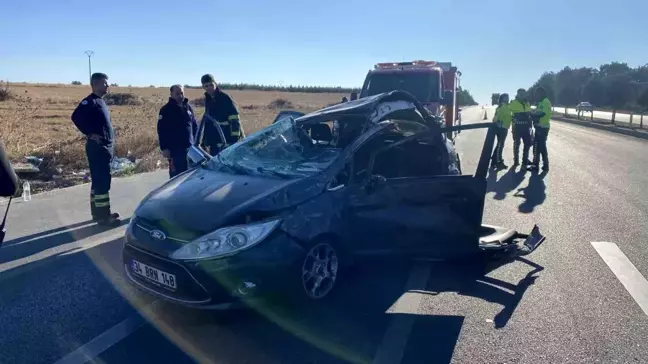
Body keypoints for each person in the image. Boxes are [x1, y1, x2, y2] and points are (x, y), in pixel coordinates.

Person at [71, 72, 120, 226]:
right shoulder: (90, 101)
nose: (108, 86)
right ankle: (104, 217)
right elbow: (76, 117)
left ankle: (97, 214)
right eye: (105, 83)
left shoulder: (100, 102)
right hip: (98, 148)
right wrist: (90, 133)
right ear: (96, 84)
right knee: (102, 182)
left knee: (98, 182)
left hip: (104, 148)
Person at [157, 85, 198, 178]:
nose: (180, 96)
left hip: (190, 148)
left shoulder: (188, 107)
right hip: (175, 150)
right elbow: (161, 130)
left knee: (191, 176)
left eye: (181, 93)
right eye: (177, 94)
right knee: (177, 178)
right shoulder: (165, 110)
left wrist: (197, 143)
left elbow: (194, 126)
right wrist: (164, 148)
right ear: (171, 94)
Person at [197, 74, 243, 155]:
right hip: (214, 142)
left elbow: (235, 118)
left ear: (215, 83)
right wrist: (205, 141)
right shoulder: (208, 99)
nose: (209, 87)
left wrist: (234, 140)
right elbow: (208, 121)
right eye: (206, 86)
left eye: (211, 84)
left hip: (227, 141)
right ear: (203, 87)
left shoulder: (225, 98)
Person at [529, 87, 552, 172]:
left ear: (541, 93)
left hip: (542, 128)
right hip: (540, 127)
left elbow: (542, 113)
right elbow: (537, 111)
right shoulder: (541, 102)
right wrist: (532, 112)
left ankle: (537, 166)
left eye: (537, 93)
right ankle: (544, 165)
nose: (535, 95)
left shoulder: (545, 102)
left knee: (538, 147)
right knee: (540, 147)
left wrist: (532, 115)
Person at [509, 88, 532, 167]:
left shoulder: (527, 103)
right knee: (517, 144)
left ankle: (524, 161)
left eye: (524, 94)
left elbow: (529, 114)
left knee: (527, 144)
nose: (522, 95)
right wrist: (513, 118)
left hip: (526, 126)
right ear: (518, 94)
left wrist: (530, 125)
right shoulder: (513, 103)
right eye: (521, 94)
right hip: (517, 126)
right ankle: (516, 161)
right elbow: (508, 113)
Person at [491, 93, 512, 169]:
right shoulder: (501, 107)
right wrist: (497, 124)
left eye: (508, 97)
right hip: (501, 129)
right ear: (502, 99)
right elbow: (496, 118)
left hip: (505, 128)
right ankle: (498, 162)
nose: (508, 99)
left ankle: (494, 161)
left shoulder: (507, 107)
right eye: (506, 98)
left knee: (500, 145)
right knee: (500, 146)